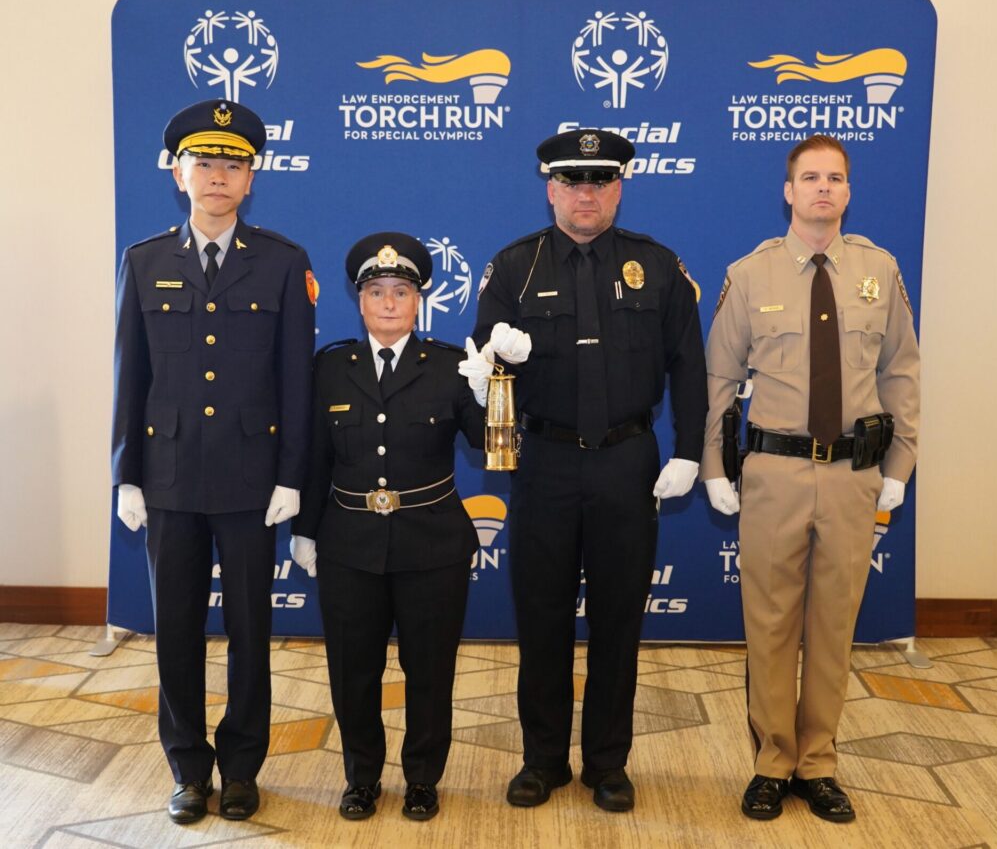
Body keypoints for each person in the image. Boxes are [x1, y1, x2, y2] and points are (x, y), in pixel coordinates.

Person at [466, 129, 708, 812]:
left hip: (627, 463)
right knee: (540, 618)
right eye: (573, 181)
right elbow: (481, 377)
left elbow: (689, 365)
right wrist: (495, 360)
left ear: (619, 188)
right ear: (550, 188)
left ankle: (607, 761)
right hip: (543, 461)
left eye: (600, 181)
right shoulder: (515, 267)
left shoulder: (656, 267)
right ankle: (542, 759)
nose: (586, 194)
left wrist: (690, 448)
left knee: (618, 620)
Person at [701, 135, 920, 823]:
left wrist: (900, 465)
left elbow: (902, 373)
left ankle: (818, 762)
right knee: (768, 624)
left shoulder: (879, 271)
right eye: (810, 177)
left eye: (835, 178)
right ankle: (772, 760)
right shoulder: (751, 274)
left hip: (854, 477)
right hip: (775, 474)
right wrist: (714, 464)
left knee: (833, 627)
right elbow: (719, 381)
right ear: (788, 191)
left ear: (848, 192)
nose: (823, 188)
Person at [111, 99, 316, 824]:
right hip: (167, 476)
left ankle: (241, 766)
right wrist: (125, 471)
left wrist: (292, 474)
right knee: (175, 630)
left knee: (252, 629)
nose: (218, 176)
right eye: (205, 162)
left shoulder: (285, 263)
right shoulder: (144, 261)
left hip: (251, 477)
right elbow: (129, 376)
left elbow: (297, 380)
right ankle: (188, 767)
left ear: (252, 177)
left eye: (233, 164)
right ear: (178, 173)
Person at [290, 232, 485, 822]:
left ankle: (423, 778)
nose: (390, 302)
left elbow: (493, 448)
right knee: (353, 671)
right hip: (350, 542)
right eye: (377, 291)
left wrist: (491, 392)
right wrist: (305, 528)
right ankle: (362, 777)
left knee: (429, 670)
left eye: (401, 291)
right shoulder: (330, 368)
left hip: (433, 543)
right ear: (360, 301)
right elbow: (313, 457)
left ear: (419, 299)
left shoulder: (454, 367)